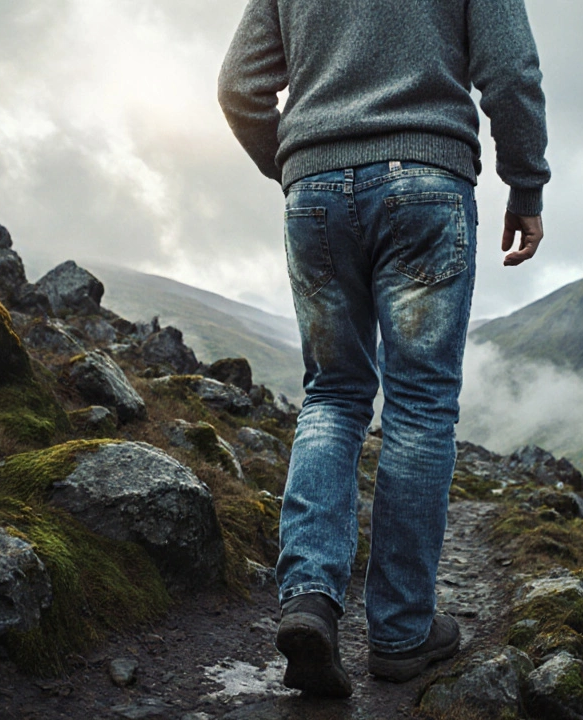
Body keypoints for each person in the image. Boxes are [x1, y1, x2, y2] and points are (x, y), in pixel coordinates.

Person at [218, 0, 549, 698]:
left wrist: (298, 166)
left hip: (314, 193)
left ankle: (309, 596)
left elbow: (239, 87)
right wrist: (526, 182)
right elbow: (510, 69)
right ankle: (401, 632)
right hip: (426, 182)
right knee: (421, 407)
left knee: (333, 396)